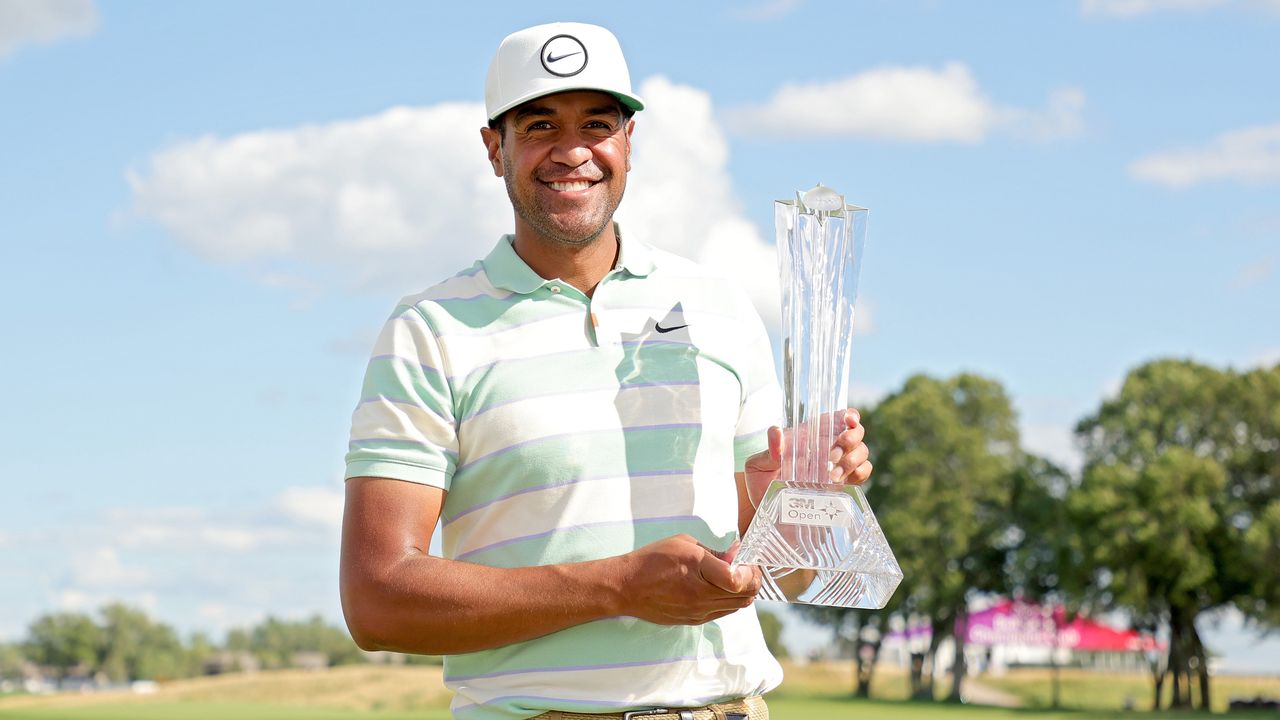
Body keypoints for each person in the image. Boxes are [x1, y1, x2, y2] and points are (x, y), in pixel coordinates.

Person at [339, 21, 872, 720]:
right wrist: (615, 588)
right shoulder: (430, 331)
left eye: (597, 123)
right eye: (538, 126)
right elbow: (378, 600)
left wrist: (801, 504)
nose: (573, 151)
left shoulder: (716, 307)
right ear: (493, 148)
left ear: (627, 144)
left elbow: (786, 574)